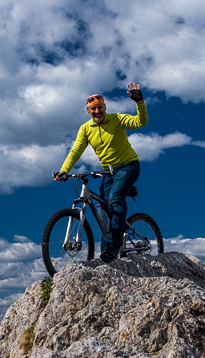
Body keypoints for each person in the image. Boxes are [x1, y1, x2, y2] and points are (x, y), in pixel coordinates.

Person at [53, 82, 148, 262]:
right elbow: (75, 151)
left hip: (128, 165)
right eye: (93, 109)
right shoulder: (86, 129)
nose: (97, 112)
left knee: (114, 200)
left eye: (100, 108)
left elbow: (141, 122)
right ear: (88, 111)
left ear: (105, 107)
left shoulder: (117, 119)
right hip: (108, 173)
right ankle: (107, 256)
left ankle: (113, 247)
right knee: (103, 209)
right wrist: (64, 171)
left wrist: (140, 103)